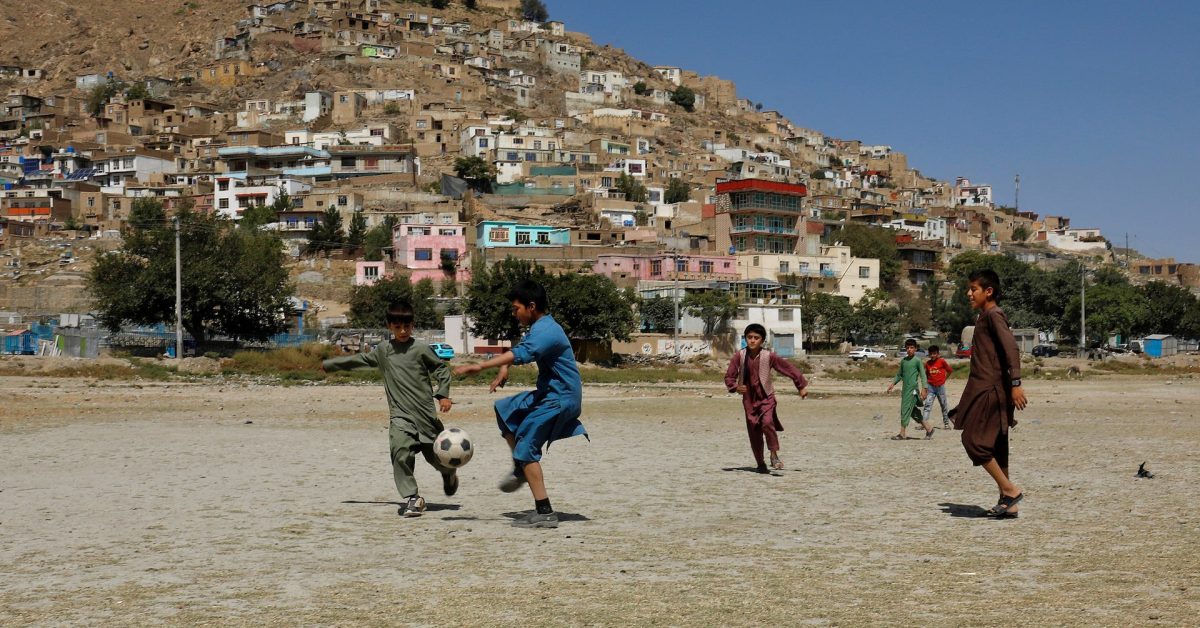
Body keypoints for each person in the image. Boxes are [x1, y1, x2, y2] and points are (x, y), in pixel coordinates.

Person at [453, 280, 586, 529]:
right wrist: (504, 367)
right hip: (549, 393)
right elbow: (521, 349)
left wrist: (480, 366)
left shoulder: (547, 330)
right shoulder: (540, 326)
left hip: (561, 398)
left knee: (526, 443)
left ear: (531, 306)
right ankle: (520, 467)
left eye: (516, 309)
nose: (514, 314)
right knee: (505, 409)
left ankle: (545, 512)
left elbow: (523, 353)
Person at [321, 303, 455, 518]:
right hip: (400, 416)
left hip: (425, 416)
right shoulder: (384, 351)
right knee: (400, 452)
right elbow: (360, 360)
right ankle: (413, 498)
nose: (402, 331)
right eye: (397, 327)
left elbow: (441, 368)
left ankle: (448, 473)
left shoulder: (420, 349)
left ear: (412, 326)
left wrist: (444, 394)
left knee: (438, 458)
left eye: (407, 326)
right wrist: (332, 364)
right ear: (389, 326)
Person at [950, 269, 1027, 518]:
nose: (969, 293)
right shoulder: (984, 317)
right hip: (985, 389)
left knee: (973, 441)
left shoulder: (994, 315)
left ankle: (1010, 490)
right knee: (997, 446)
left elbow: (1011, 350)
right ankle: (1008, 503)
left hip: (992, 391)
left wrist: (1016, 383)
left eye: (973, 289)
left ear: (988, 291)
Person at [723, 324, 809, 473]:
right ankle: (760, 463)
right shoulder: (740, 356)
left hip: (766, 397)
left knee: (768, 422)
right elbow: (729, 376)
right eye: (749, 337)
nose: (752, 341)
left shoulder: (769, 356)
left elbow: (788, 368)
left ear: (762, 340)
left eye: (756, 338)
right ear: (746, 339)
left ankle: (774, 455)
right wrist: (735, 387)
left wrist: (800, 385)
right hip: (749, 400)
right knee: (754, 431)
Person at [886, 338, 930, 439]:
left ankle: (902, 433)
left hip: (913, 390)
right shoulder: (904, 361)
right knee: (913, 411)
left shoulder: (917, 361)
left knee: (905, 409)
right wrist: (893, 384)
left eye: (911, 348)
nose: (909, 349)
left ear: (915, 349)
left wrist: (924, 388)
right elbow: (899, 375)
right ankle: (929, 429)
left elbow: (923, 375)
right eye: (907, 348)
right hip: (905, 390)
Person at [923, 345, 954, 430]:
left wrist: (944, 379)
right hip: (931, 388)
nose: (932, 355)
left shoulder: (942, 361)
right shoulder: (927, 364)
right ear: (929, 354)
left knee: (943, 405)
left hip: (940, 387)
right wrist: (925, 387)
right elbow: (926, 375)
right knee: (927, 406)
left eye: (934, 353)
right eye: (931, 354)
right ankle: (924, 423)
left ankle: (946, 424)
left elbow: (950, 370)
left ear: (938, 354)